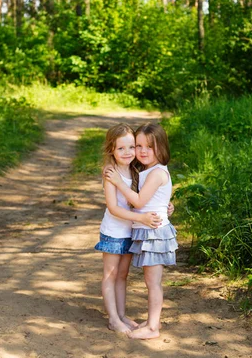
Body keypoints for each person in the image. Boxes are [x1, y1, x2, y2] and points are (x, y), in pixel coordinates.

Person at [104, 122, 177, 340]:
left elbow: (138, 201)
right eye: (139, 146)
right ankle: (151, 321)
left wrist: (118, 181)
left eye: (149, 147)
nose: (142, 151)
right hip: (146, 231)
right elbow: (153, 199)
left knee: (153, 282)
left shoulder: (154, 173)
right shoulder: (144, 170)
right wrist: (166, 205)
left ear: (161, 148)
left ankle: (153, 326)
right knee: (150, 281)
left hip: (153, 233)